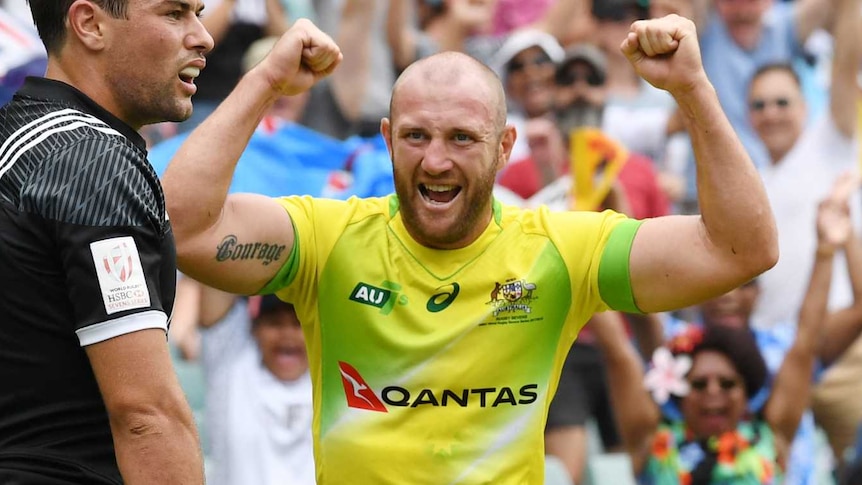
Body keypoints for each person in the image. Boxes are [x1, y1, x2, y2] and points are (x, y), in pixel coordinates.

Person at [162, 15, 778, 483]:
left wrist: (694, 89)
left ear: (505, 146)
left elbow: (739, 249)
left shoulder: (561, 249)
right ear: (386, 139)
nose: (436, 160)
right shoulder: (329, 240)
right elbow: (183, 226)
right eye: (415, 136)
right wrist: (265, 80)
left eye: (462, 137)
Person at [0, 1, 211, 483]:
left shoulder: (17, 138)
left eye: (199, 12)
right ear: (90, 24)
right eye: (175, 14)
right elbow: (145, 415)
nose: (203, 36)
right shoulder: (94, 164)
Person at [593, 174, 859, 483]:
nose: (714, 393)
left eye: (728, 384)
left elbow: (805, 342)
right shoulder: (650, 442)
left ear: (749, 392)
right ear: (679, 391)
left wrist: (827, 248)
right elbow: (618, 352)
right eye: (700, 385)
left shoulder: (773, 439)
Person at [174, 281, 315, 485]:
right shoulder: (231, 360)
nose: (287, 334)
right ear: (255, 329)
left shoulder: (332, 373)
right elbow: (217, 268)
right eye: (275, 322)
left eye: (299, 323)